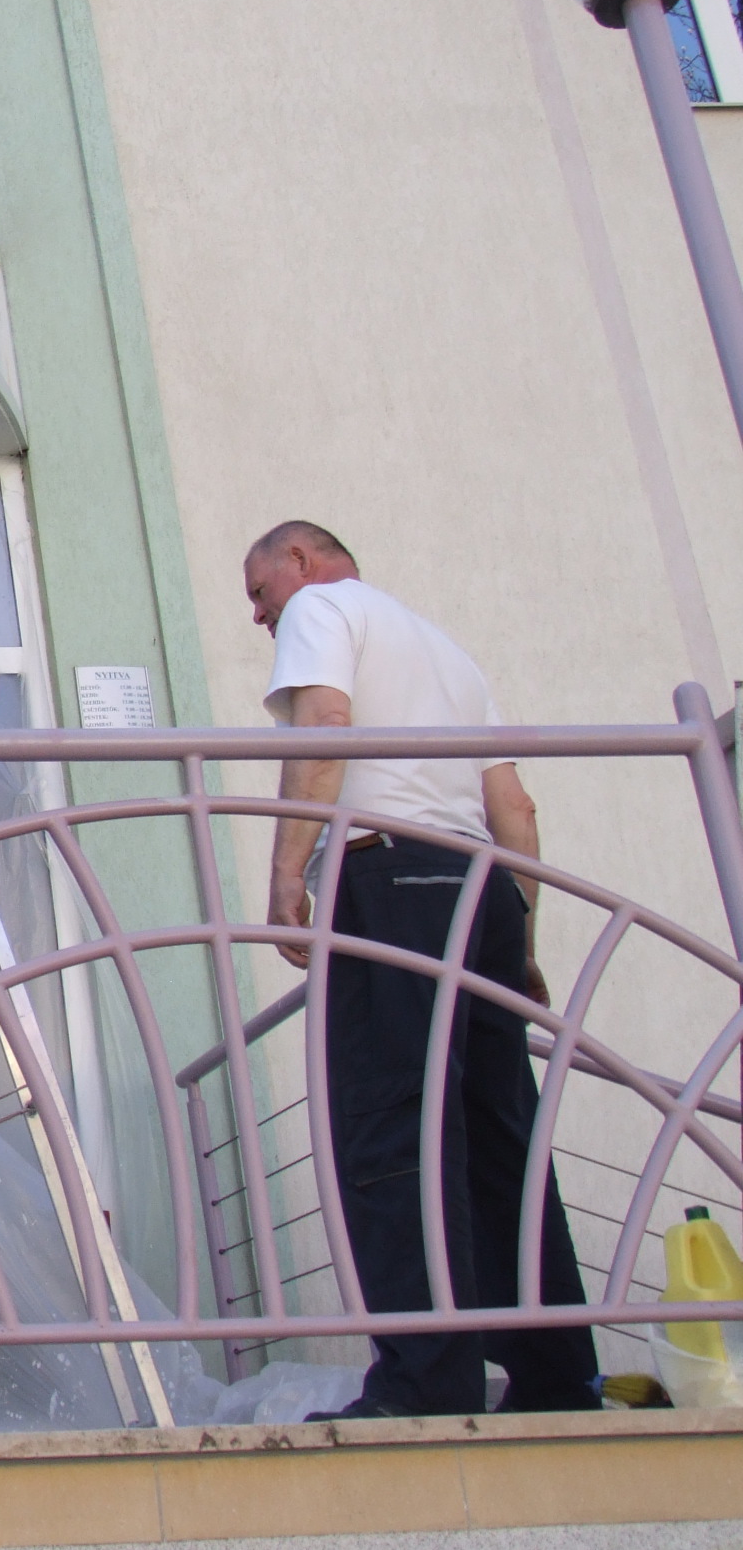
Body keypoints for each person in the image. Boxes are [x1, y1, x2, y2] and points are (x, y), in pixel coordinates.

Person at [247, 519, 600, 1417]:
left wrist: (288, 872)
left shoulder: (322, 608)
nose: (258, 616)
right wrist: (520, 943)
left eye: (259, 592)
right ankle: (558, 1378)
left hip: (389, 877)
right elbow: (514, 806)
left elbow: (325, 725)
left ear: (300, 562)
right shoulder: (449, 655)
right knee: (499, 1137)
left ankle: (424, 1383)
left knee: (391, 1126)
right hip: (481, 891)